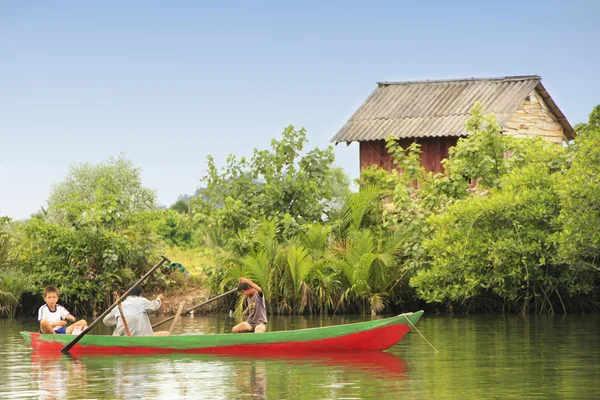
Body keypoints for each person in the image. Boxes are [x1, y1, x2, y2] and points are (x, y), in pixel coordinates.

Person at [102, 285, 170, 336]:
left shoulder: (118, 306)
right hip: (140, 338)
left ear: (126, 294)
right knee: (167, 334)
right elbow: (155, 306)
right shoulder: (141, 301)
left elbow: (106, 321)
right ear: (139, 294)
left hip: (121, 338)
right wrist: (159, 298)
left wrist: (117, 319)